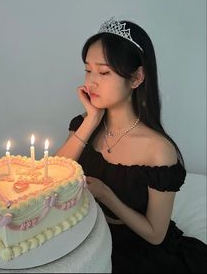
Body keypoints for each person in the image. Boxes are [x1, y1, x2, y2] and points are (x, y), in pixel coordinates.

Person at [55, 17, 207, 273]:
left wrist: (107, 196)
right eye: (87, 69)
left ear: (136, 77)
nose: (91, 81)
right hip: (85, 231)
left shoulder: (158, 151)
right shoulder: (85, 123)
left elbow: (155, 234)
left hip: (134, 248)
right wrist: (91, 120)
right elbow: (55, 175)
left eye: (104, 72)